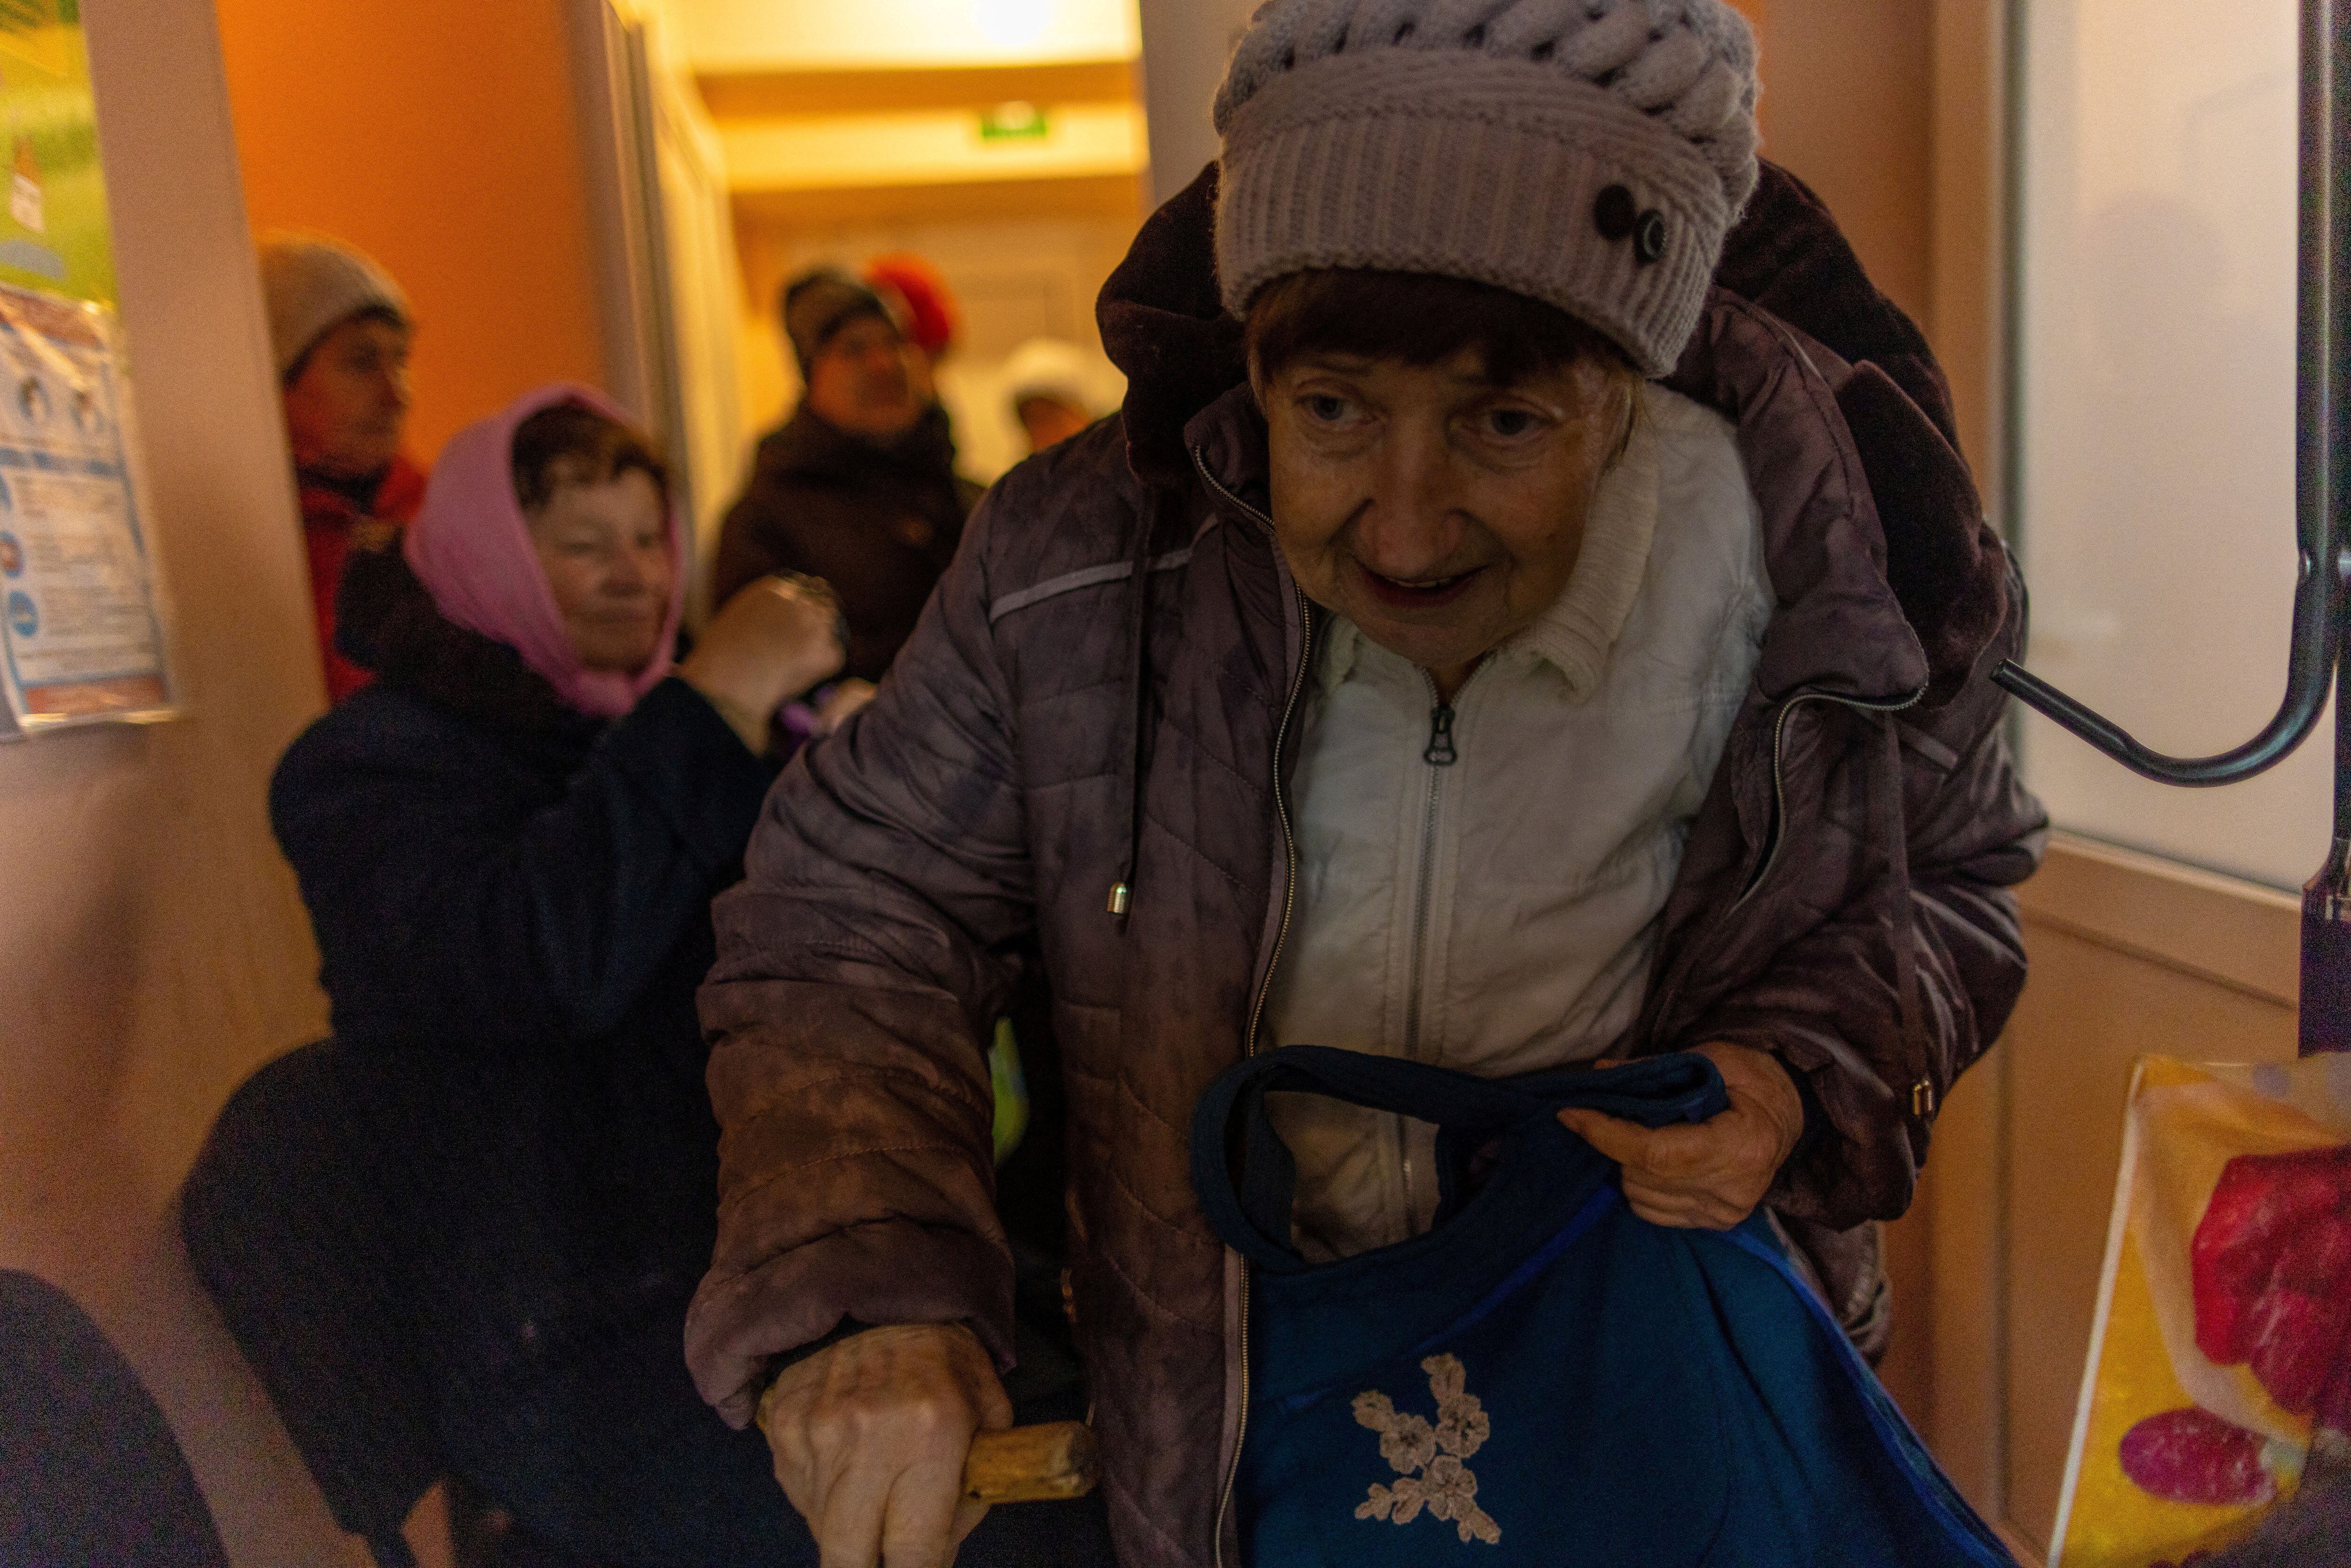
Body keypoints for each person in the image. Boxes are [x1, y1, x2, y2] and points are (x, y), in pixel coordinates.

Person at [685, 3, 2049, 1566]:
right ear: (1254, 353)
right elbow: (853, 903)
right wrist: (870, 1278)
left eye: (1504, 422)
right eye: (1330, 411)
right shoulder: (1076, 557)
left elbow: (1955, 880)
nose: (1403, 533)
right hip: (1229, 1448)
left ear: (1634, 379)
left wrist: (1804, 1070)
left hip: (1671, 1420)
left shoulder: (1830, 561)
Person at [179, 386, 883, 1567]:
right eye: (580, 542)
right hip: (563, 1347)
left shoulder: (656, 734)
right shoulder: (365, 764)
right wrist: (708, 702)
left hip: (749, 1275)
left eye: (649, 538)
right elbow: (547, 962)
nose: (632, 573)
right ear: (485, 557)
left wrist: (863, 788)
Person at [710, 268, 981, 682]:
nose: (884, 364)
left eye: (895, 343)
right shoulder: (767, 522)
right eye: (853, 350)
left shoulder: (972, 501)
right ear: (810, 376)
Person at [260, 234, 426, 703]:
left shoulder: (452, 521)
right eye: (360, 362)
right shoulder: (230, 533)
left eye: (401, 362)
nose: (397, 396)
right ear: (277, 379)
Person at [1002, 338, 1101, 454]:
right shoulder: (1029, 470)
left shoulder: (1120, 464)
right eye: (1034, 421)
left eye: (1052, 415)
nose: (1046, 433)